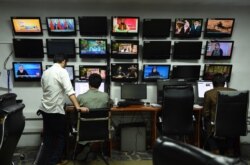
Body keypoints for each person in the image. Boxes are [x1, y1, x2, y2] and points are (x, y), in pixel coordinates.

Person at [38, 53, 89, 165]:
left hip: (45, 109)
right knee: (61, 137)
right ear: (64, 61)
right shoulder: (62, 71)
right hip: (56, 110)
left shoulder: (46, 72)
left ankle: (45, 160)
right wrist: (78, 107)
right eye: (66, 63)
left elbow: (45, 89)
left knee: (48, 137)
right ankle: (54, 161)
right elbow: (70, 92)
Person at [203, 73, 236, 156]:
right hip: (232, 125)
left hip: (216, 124)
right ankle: (230, 149)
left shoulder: (209, 93)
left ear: (213, 84)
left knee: (206, 123)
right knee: (230, 124)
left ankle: (215, 149)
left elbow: (206, 113)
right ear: (224, 83)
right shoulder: (234, 92)